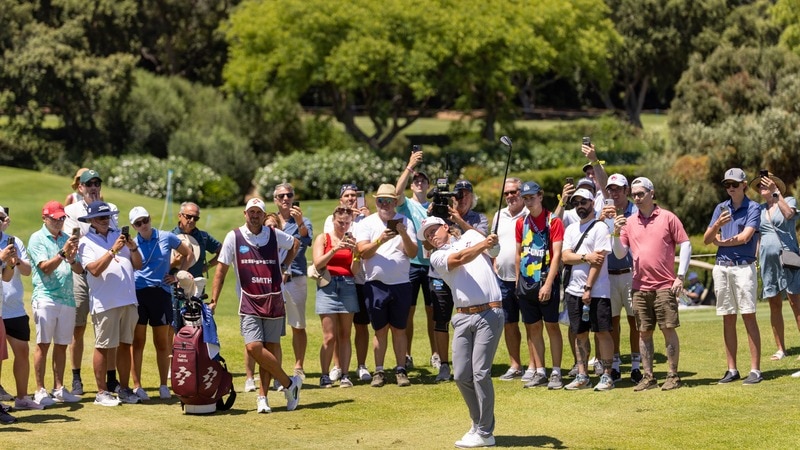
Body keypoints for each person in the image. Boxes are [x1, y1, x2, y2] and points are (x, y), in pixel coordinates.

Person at [210, 198, 302, 413]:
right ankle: (290, 383)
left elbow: (295, 244)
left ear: (263, 215)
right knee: (253, 347)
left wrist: (285, 266)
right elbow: (221, 270)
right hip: (249, 300)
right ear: (245, 213)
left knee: (271, 347)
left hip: (273, 298)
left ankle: (263, 397)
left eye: (258, 212)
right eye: (251, 212)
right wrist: (214, 299)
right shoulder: (234, 236)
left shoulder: (273, 234)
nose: (254, 215)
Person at [418, 216, 502, 448]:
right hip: (463, 316)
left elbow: (494, 252)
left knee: (480, 373)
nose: (431, 236)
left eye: (433, 230)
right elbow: (459, 258)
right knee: (461, 374)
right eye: (427, 235)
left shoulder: (473, 236)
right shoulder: (436, 257)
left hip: (490, 312)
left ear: (445, 227)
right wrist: (484, 244)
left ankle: (485, 431)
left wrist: (492, 242)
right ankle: (478, 425)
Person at [611, 177, 691, 391]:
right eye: (634, 194)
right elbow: (620, 253)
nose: (636, 198)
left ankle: (673, 376)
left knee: (668, 329)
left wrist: (680, 276)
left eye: (641, 193)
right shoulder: (628, 222)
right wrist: (615, 233)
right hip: (640, 286)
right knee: (644, 332)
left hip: (665, 285)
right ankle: (648, 377)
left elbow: (686, 243)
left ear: (651, 193)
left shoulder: (667, 217)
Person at [78, 201, 143, 406]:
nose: (105, 220)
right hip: (105, 302)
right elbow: (94, 270)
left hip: (128, 300)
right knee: (103, 346)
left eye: (107, 216)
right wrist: (113, 251)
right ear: (91, 221)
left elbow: (138, 264)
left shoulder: (118, 236)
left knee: (126, 345)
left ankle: (124, 390)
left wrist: (132, 249)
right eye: (101, 217)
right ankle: (101, 392)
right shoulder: (85, 242)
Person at [63, 168, 120, 395]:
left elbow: (114, 235)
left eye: (97, 183)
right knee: (78, 327)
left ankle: (111, 377)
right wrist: (94, 221)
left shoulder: (111, 210)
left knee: (110, 325)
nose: (93, 187)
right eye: (89, 184)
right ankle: (76, 377)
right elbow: (73, 240)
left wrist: (101, 217)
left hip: (107, 272)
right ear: (81, 188)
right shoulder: (71, 210)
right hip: (81, 273)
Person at [354, 184, 418, 387]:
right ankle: (379, 371)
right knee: (380, 330)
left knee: (399, 329)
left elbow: (413, 252)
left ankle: (400, 370)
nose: (384, 204)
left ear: (395, 202)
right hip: (376, 285)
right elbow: (362, 252)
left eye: (388, 200)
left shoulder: (406, 221)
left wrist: (403, 233)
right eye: (380, 200)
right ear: (376, 202)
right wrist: (380, 240)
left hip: (401, 284)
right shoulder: (367, 223)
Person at [703, 168, 762, 385]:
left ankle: (755, 370)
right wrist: (717, 226)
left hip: (744, 267)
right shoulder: (720, 208)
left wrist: (721, 241)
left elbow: (746, 237)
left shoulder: (753, 207)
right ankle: (732, 369)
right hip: (722, 267)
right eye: (727, 185)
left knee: (748, 315)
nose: (730, 189)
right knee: (728, 318)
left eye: (734, 185)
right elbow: (708, 238)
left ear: (744, 185)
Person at [129, 207, 195, 401]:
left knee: (162, 342)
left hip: (161, 293)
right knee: (138, 341)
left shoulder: (166, 237)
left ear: (150, 218)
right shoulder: (132, 243)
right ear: (134, 226)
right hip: (139, 293)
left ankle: (164, 385)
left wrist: (177, 276)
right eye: (138, 223)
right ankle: (137, 386)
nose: (143, 225)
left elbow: (188, 253)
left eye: (145, 220)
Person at [27, 201, 83, 407]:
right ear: (45, 218)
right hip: (46, 297)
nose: (59, 222)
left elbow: (78, 270)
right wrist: (62, 253)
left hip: (67, 298)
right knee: (43, 344)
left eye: (62, 218)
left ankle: (59, 388)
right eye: (55, 218)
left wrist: (72, 258)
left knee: (61, 345)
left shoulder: (67, 239)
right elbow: (45, 268)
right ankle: (40, 390)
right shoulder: (37, 238)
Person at [561, 188, 615, 391]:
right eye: (576, 203)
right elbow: (565, 257)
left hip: (597, 291)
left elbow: (598, 260)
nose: (580, 206)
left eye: (583, 202)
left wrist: (588, 287)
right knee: (579, 333)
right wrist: (585, 257)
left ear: (592, 203)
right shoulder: (571, 229)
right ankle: (583, 375)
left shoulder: (600, 228)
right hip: (573, 290)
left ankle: (607, 376)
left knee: (602, 332)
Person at [515, 181, 565, 390]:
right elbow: (518, 253)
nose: (529, 201)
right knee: (533, 328)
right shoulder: (521, 222)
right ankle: (540, 371)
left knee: (552, 326)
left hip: (546, 281)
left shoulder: (553, 222)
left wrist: (549, 283)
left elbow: (557, 256)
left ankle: (556, 371)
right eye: (525, 198)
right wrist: (518, 282)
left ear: (540, 196)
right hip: (526, 282)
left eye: (532, 197)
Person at [322, 184, 372, 383]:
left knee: (361, 324)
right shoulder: (332, 219)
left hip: (361, 277)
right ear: (340, 199)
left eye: (354, 195)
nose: (351, 198)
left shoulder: (368, 219)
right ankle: (338, 366)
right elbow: (333, 241)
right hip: (339, 278)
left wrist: (366, 218)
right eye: (347, 195)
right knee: (338, 328)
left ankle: (361, 365)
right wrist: (349, 217)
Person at [394, 151, 436, 372]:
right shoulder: (406, 205)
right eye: (416, 181)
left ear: (428, 185)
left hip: (431, 266)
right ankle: (407, 354)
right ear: (412, 186)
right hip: (410, 264)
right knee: (408, 311)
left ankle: (436, 353)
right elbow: (396, 191)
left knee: (432, 312)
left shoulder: (433, 206)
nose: (419, 183)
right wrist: (410, 166)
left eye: (423, 180)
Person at [752, 171, 800, 361]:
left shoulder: (788, 200)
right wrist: (754, 259)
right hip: (768, 261)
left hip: (789, 257)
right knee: (774, 304)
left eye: (767, 184)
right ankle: (781, 349)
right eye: (761, 186)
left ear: (776, 186)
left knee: (796, 303)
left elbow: (789, 214)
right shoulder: (759, 210)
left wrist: (776, 194)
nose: (762, 187)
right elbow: (758, 236)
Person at [313, 206, 360, 388]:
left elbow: (354, 271)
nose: (344, 226)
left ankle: (345, 374)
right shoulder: (323, 238)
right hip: (328, 285)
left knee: (345, 334)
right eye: (341, 222)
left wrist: (356, 254)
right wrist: (335, 249)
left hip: (347, 285)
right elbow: (318, 264)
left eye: (347, 223)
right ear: (333, 220)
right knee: (329, 336)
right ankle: (324, 375)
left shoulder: (352, 240)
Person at [601, 174, 642, 383]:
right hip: (609, 275)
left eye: (618, 189)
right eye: (611, 189)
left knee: (634, 320)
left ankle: (636, 366)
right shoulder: (605, 212)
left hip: (630, 272)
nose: (614, 193)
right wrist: (601, 220)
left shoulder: (635, 211)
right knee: (612, 322)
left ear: (626, 190)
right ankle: (616, 365)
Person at [0, 209, 40, 411]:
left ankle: (22, 397)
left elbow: (26, 271)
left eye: (0, 218)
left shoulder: (14, 241)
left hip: (14, 307)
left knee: (22, 351)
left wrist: (15, 260)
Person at [490, 178, 529, 382]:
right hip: (502, 279)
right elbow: (494, 243)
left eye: (514, 192)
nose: (510, 196)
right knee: (509, 323)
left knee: (532, 323)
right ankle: (515, 365)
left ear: (522, 193)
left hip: (526, 278)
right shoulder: (499, 215)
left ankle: (534, 366)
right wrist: (494, 259)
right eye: (506, 193)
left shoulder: (530, 213)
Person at [273, 183, 313, 379]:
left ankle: (298, 366)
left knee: (297, 324)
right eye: (281, 196)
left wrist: (300, 224)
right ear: (275, 200)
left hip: (296, 277)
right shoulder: (269, 221)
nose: (286, 199)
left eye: (289, 195)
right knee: (273, 326)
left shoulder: (303, 220)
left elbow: (306, 242)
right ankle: (274, 366)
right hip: (272, 279)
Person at [171, 201, 221, 279]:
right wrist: (173, 264)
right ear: (179, 216)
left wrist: (206, 267)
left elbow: (223, 252)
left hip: (196, 286)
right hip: (174, 287)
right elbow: (158, 265)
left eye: (195, 218)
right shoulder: (169, 237)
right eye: (188, 216)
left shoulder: (203, 237)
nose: (192, 220)